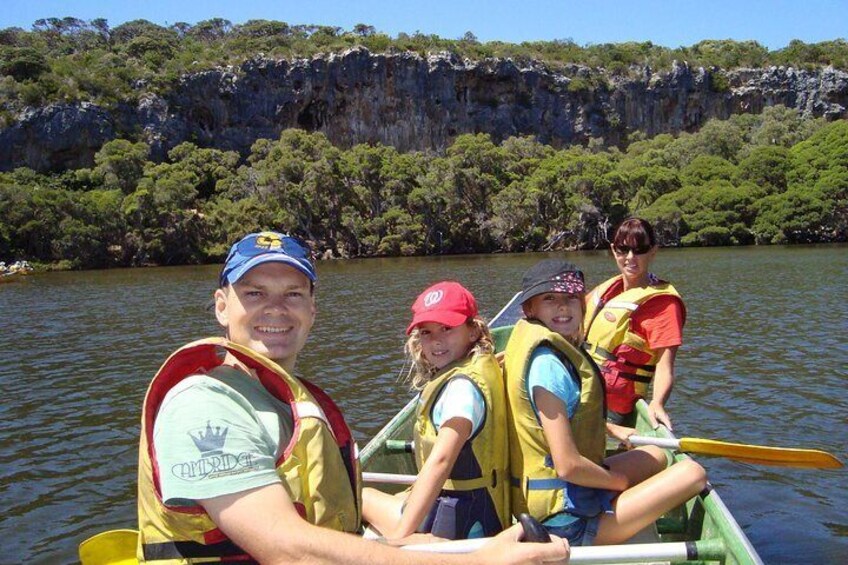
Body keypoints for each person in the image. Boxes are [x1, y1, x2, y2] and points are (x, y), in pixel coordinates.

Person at [137, 231, 569, 565]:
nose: (276, 309)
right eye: (254, 293)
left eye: (293, 294)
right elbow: (287, 550)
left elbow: (335, 512)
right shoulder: (206, 402)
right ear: (220, 306)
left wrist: (430, 546)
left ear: (312, 309)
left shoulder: (282, 397)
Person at [503, 259, 706, 546]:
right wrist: (619, 484)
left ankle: (616, 497)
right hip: (563, 522)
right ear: (529, 308)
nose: (563, 306)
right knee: (693, 473)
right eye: (550, 298)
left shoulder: (541, 347)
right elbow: (568, 466)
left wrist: (612, 429)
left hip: (560, 493)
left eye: (571, 297)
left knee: (656, 456)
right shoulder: (549, 367)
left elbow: (564, 419)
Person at [363, 281, 509, 541]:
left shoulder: (461, 390)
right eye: (426, 332)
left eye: (447, 328)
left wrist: (400, 536)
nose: (437, 341)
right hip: (483, 508)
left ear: (473, 331)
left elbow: (441, 461)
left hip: (457, 522)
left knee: (359, 495)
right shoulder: (480, 366)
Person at [584, 217, 686, 430]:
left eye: (639, 250)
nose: (630, 257)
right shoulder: (609, 288)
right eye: (623, 249)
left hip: (611, 408)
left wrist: (657, 403)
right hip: (579, 388)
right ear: (614, 250)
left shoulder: (663, 304)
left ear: (653, 251)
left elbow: (665, 366)